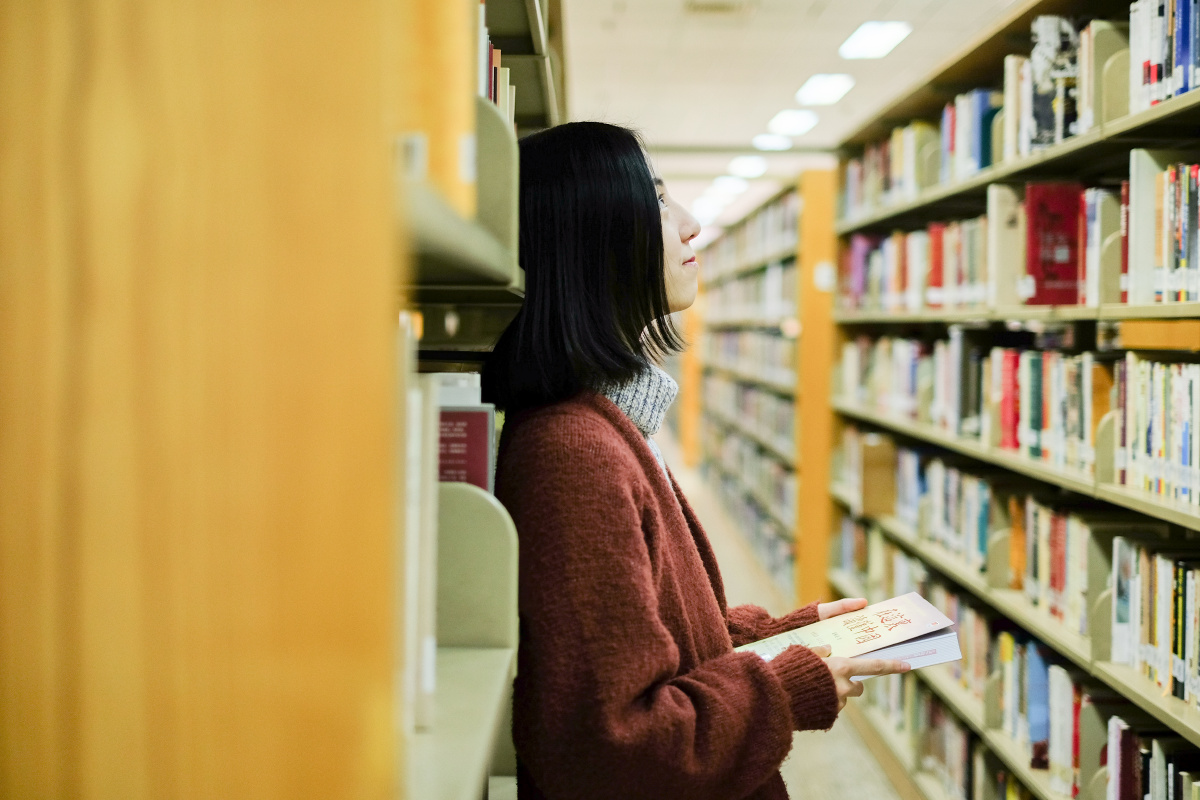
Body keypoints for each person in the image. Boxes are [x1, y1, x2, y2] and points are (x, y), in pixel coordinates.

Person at [483, 121, 909, 800]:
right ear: (591, 236)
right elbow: (614, 746)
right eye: (657, 201)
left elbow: (651, 637)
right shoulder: (573, 455)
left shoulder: (604, 428)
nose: (691, 224)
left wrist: (783, 636)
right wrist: (782, 686)